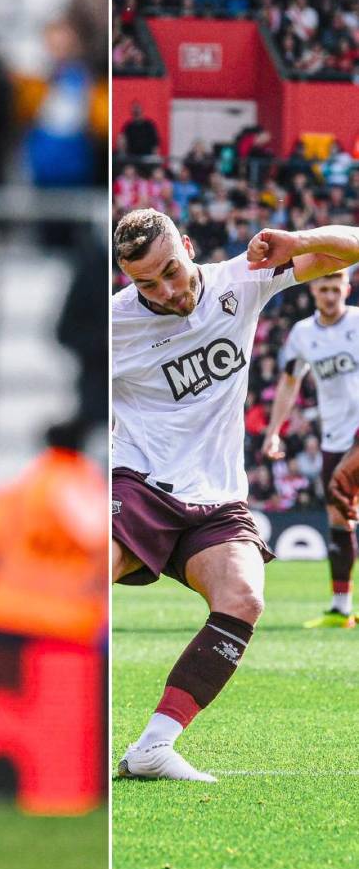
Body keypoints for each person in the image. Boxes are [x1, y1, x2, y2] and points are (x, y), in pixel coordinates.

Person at [112, 208, 359, 782]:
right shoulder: (114, 325)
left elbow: (352, 246)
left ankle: (154, 746)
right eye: (146, 282)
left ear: (189, 247)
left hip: (217, 497)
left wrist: (297, 241)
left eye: (172, 270)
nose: (166, 291)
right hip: (141, 484)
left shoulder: (239, 281)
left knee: (244, 597)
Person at [260, 270, 359, 627]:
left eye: (337, 288)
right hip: (334, 435)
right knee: (338, 517)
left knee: (339, 491)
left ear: (347, 288)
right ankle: (341, 608)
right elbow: (289, 381)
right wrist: (274, 432)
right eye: (324, 288)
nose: (331, 295)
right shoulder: (303, 334)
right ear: (314, 290)